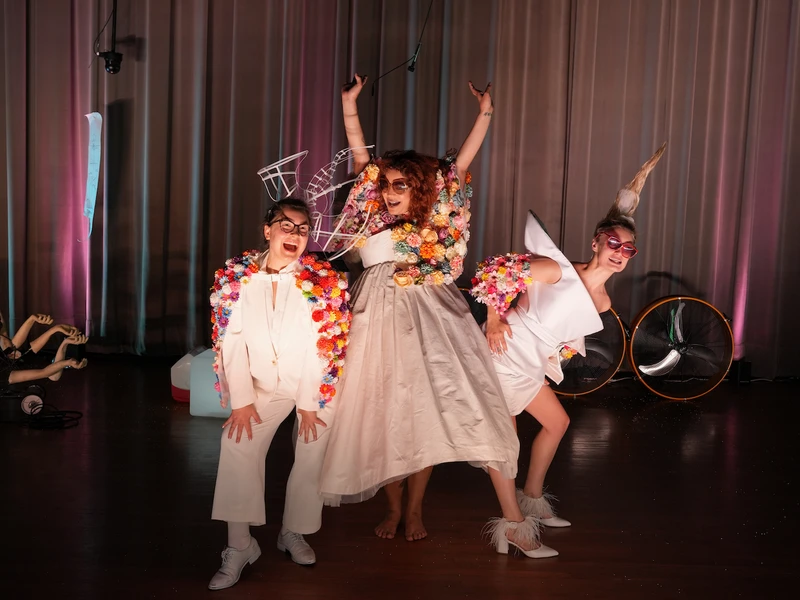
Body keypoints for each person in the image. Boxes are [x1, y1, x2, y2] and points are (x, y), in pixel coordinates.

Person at [320, 75, 555, 558]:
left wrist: (486, 112)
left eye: (400, 186)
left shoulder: (435, 217)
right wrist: (349, 106)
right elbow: (361, 156)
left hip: (431, 305)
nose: (388, 192)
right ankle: (391, 507)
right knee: (383, 410)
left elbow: (464, 161)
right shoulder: (370, 210)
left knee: (424, 410)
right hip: (376, 309)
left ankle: (415, 509)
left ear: (422, 189)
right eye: (386, 185)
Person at [475, 145, 665, 553]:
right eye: (614, 243)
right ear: (597, 241)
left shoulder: (603, 304)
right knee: (504, 442)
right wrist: (493, 319)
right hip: (503, 353)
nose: (619, 253)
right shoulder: (557, 270)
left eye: (628, 249)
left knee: (557, 424)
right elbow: (495, 271)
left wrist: (552, 356)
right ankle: (512, 525)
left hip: (530, 364)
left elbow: (563, 335)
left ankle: (533, 499)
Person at [207, 198, 351, 590]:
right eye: (286, 225)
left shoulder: (323, 280)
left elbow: (323, 347)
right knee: (235, 443)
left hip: (310, 382)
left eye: (303, 229)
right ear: (267, 230)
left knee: (312, 446)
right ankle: (240, 545)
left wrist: (307, 403)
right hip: (259, 385)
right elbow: (230, 343)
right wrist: (241, 400)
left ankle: (294, 531)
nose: (295, 235)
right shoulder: (235, 279)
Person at [1, 311, 88, 387]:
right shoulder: (7, 374)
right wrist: (68, 362)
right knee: (54, 375)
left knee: (54, 375)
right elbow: (47, 373)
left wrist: (56, 329)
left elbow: (14, 343)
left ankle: (64, 343)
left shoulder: (9, 353)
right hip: (15, 372)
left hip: (19, 364)